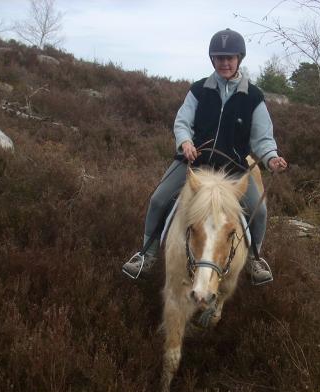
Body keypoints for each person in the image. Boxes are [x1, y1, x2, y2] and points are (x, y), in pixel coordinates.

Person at [122, 28, 288, 284]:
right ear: (212, 60)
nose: (224, 62)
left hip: (233, 167)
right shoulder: (198, 90)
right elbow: (182, 122)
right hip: (194, 162)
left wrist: (271, 158)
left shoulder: (253, 97)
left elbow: (262, 138)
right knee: (158, 200)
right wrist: (185, 142)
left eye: (230, 57)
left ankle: (255, 260)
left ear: (239, 59)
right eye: (219, 57)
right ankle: (147, 254)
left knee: (260, 211)